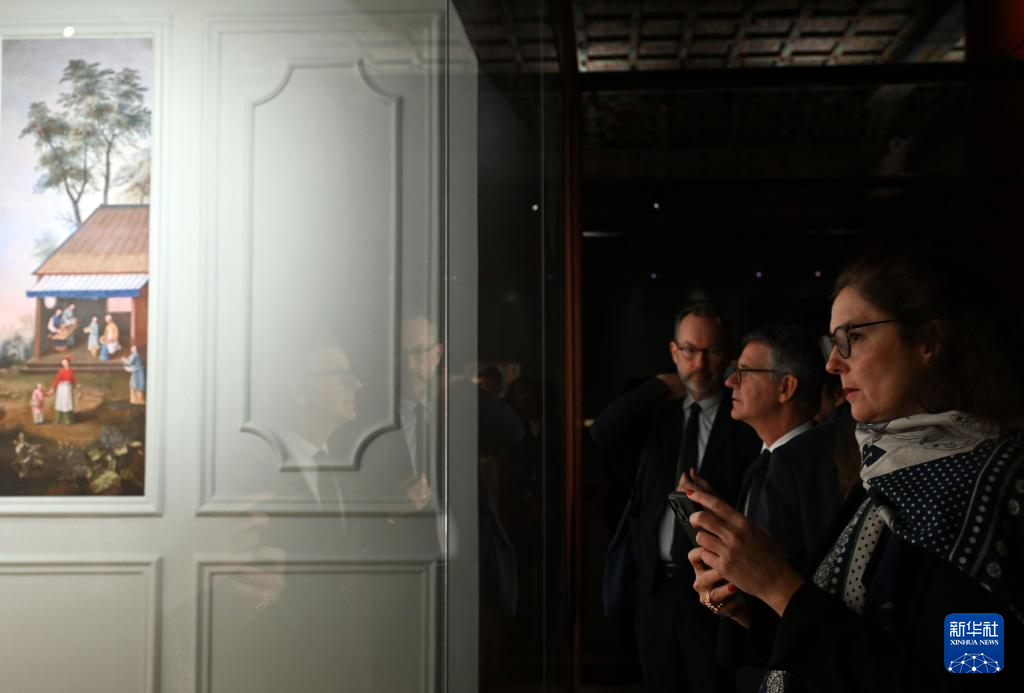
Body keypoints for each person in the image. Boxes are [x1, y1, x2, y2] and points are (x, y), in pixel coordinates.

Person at [686, 250, 1024, 692]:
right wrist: (750, 601)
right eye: (833, 342)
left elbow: (966, 673)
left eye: (854, 337)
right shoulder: (881, 465)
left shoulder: (995, 486)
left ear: (928, 342)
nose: (832, 364)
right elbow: (853, 628)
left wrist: (777, 586)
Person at [592, 303, 760, 693]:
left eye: (711, 351)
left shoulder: (743, 418)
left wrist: (716, 501)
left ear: (727, 355)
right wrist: (656, 386)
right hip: (654, 588)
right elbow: (601, 433)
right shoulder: (658, 413)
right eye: (689, 350)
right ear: (673, 352)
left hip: (717, 588)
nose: (699, 363)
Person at [705, 325, 827, 693]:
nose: (730, 382)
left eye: (744, 372)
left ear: (786, 387)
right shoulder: (761, 463)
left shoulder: (816, 467)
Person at [48, 357, 81, 424]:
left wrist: (77, 385)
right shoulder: (61, 371)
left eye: (65, 362)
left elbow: (73, 379)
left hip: (68, 388)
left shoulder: (71, 371)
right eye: (63, 363)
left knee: (67, 402)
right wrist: (53, 388)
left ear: (69, 363)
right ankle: (59, 419)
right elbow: (56, 380)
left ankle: (68, 419)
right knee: (61, 402)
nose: (64, 364)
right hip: (61, 388)